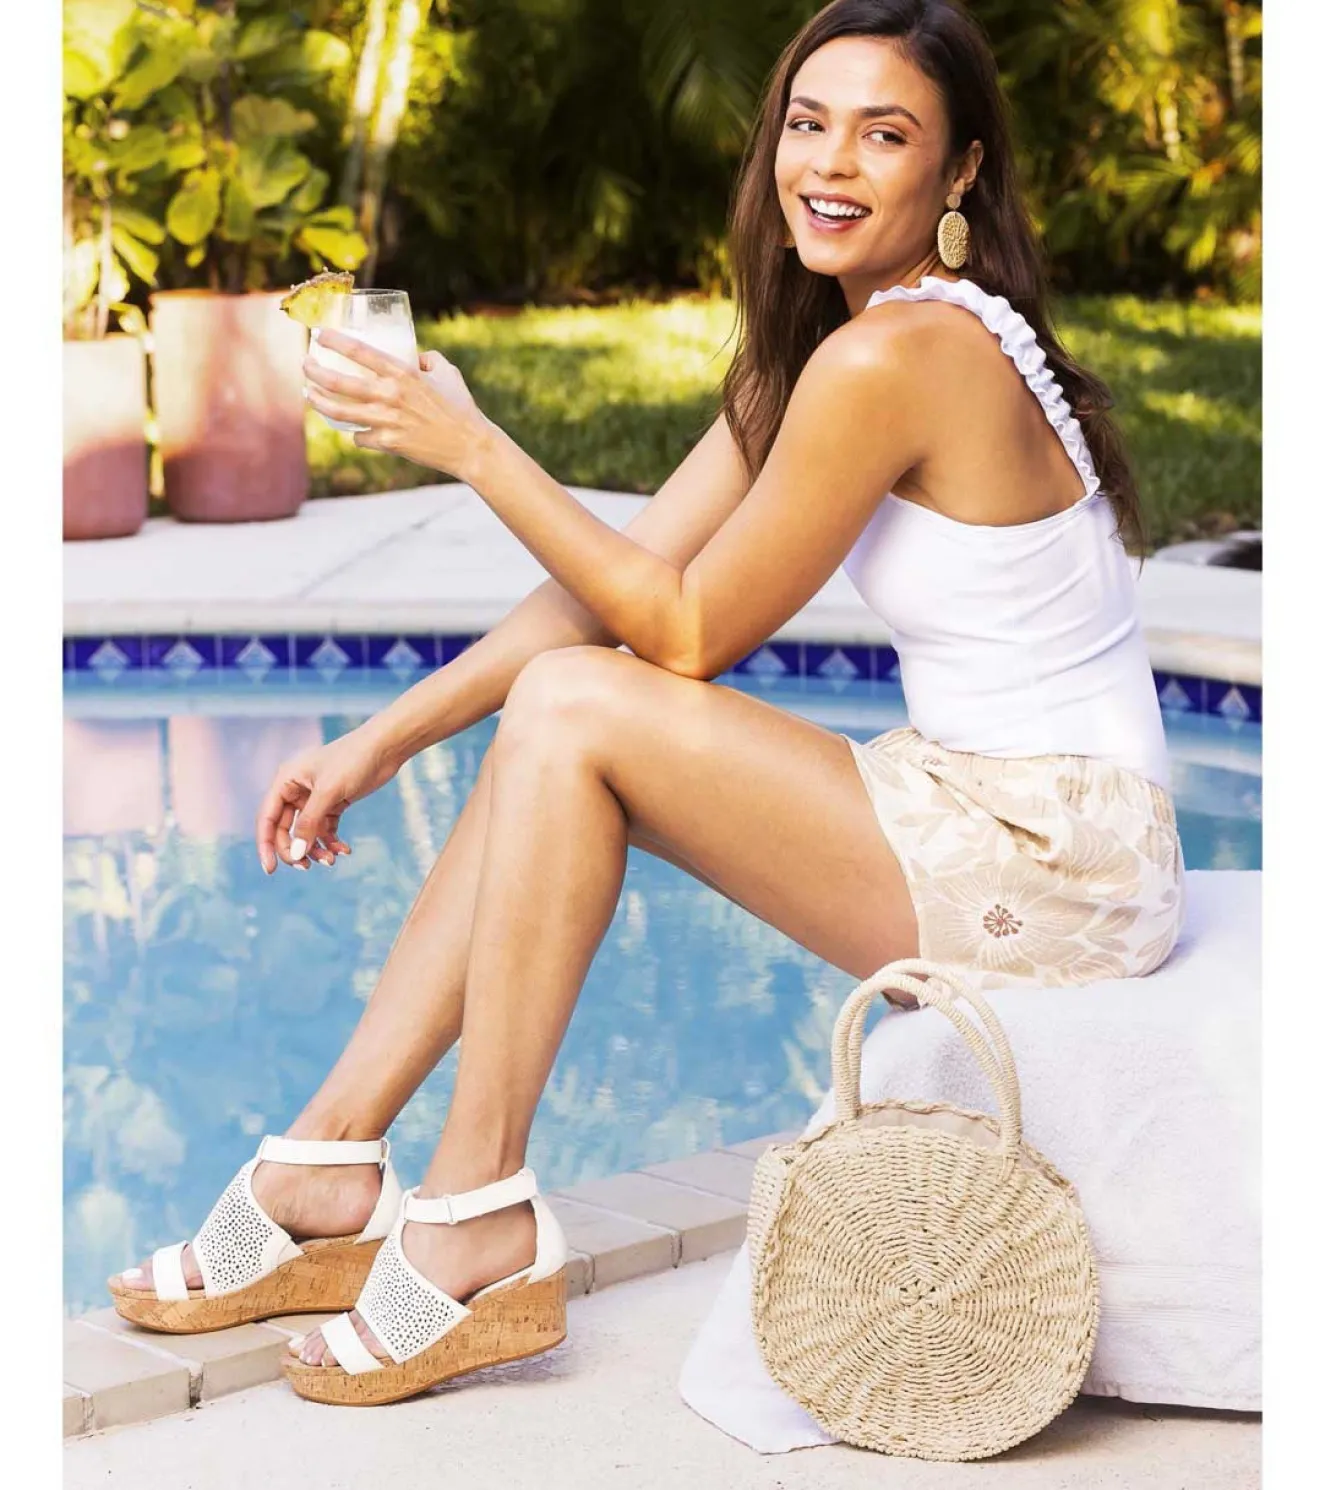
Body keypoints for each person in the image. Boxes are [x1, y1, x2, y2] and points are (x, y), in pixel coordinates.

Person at [108, 0, 1183, 1408]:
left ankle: (472, 1214)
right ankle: (329, 1162)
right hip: (990, 803)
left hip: (1056, 862)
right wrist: (384, 736)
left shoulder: (900, 356)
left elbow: (682, 632)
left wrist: (473, 447)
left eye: (884, 134)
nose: (830, 162)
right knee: (562, 709)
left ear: (961, 170)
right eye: (808, 123)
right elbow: (610, 590)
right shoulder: (838, 343)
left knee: (577, 711)